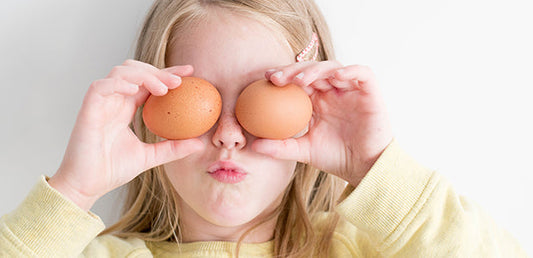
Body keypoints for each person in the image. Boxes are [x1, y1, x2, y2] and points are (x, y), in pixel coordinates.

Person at [0, 0, 527, 257]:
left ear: (311, 110)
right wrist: (74, 190)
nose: (229, 134)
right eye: (199, 99)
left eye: (263, 98)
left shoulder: (369, 249)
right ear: (148, 110)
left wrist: (375, 168)